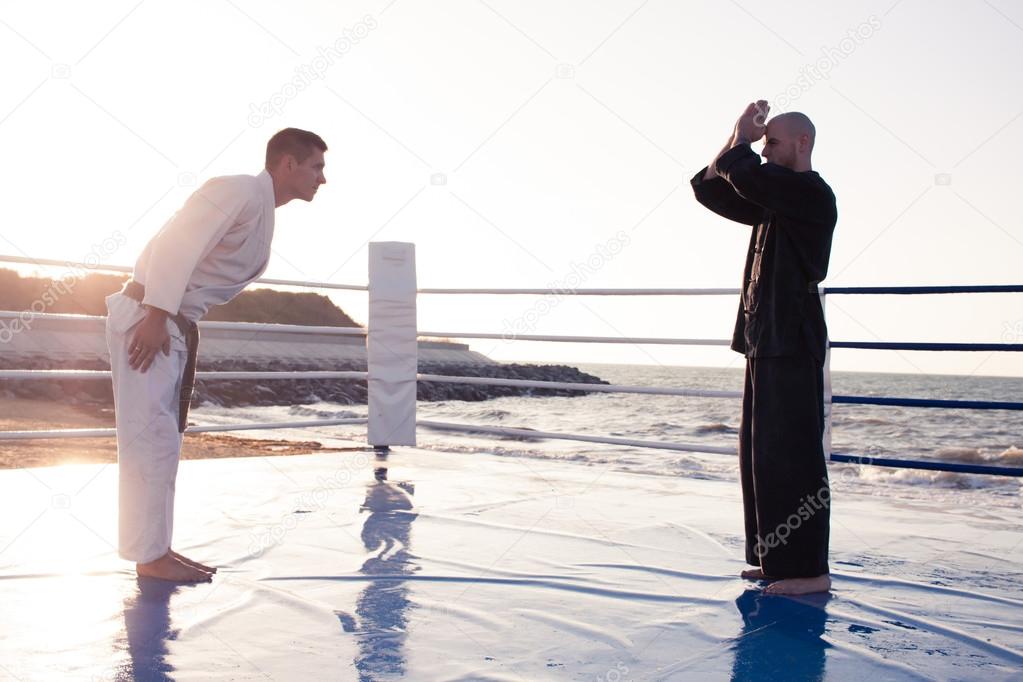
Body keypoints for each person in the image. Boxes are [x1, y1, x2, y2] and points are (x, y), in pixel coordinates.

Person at [105, 128, 328, 582]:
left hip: (169, 321)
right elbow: (175, 244)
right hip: (151, 317)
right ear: (288, 163)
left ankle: (155, 549)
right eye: (317, 167)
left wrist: (165, 317)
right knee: (150, 440)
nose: (322, 179)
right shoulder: (239, 189)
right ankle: (150, 558)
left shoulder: (261, 207)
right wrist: (155, 316)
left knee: (162, 442)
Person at [691, 101, 837, 595]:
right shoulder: (775, 197)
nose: (763, 149)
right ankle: (774, 558)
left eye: (771, 142)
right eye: (762, 142)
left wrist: (741, 141)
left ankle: (809, 572)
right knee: (760, 455)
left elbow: (746, 175)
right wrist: (735, 141)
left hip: (792, 339)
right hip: (763, 339)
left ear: (802, 143)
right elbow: (711, 187)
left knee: (794, 456)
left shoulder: (809, 193)